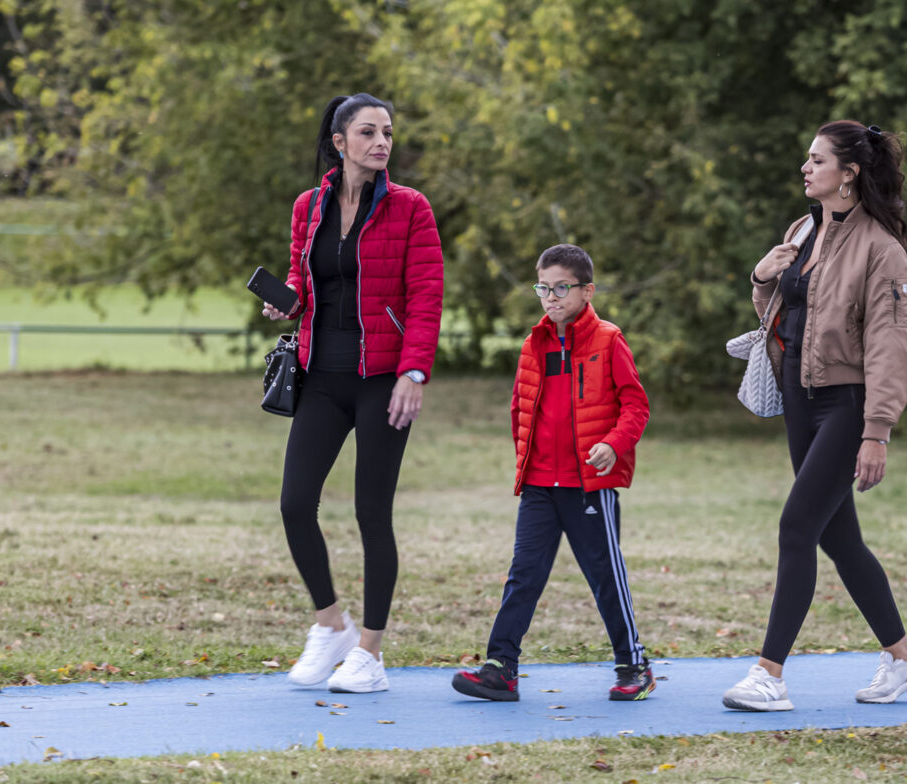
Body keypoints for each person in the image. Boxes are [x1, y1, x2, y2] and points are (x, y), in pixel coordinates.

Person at [721, 121, 907, 712]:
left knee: (797, 528)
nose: (805, 168)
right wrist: (762, 277)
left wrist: (876, 432)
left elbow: (893, 344)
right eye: (807, 160)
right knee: (839, 538)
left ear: (849, 173)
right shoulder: (802, 230)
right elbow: (785, 314)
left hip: (847, 404)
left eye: (817, 160)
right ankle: (904, 660)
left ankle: (769, 674)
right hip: (799, 397)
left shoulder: (882, 250)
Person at [262, 93, 443, 693]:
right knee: (294, 504)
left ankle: (370, 652)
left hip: (384, 381)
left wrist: (414, 373)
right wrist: (287, 301)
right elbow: (302, 274)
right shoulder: (308, 206)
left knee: (372, 513)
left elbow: (426, 297)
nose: (381, 142)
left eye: (387, 131)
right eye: (368, 132)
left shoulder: (411, 208)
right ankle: (330, 624)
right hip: (321, 376)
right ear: (340, 142)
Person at [452, 244, 655, 702]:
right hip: (540, 486)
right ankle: (501, 668)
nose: (550, 297)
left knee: (605, 577)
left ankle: (634, 665)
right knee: (523, 576)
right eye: (543, 288)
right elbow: (520, 408)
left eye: (561, 288)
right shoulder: (533, 344)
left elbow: (635, 405)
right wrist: (527, 462)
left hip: (588, 487)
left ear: (587, 291)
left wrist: (613, 444)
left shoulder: (609, 340)